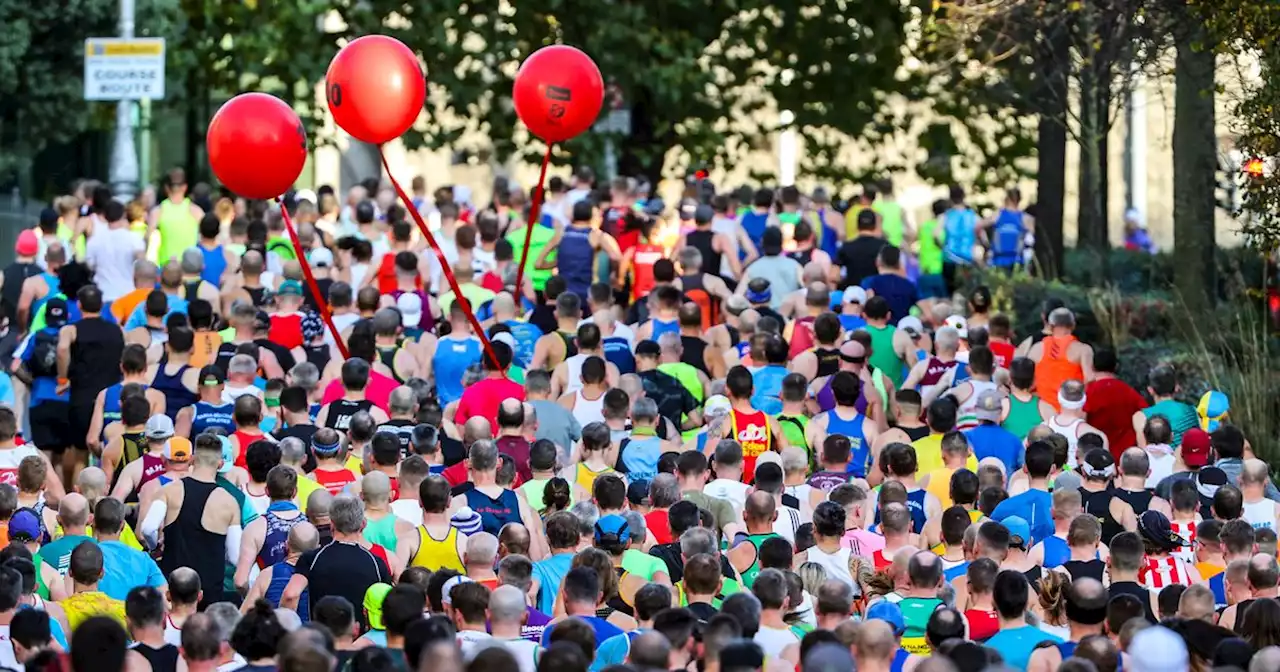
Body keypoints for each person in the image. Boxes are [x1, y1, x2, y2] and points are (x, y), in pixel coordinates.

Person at [140, 433, 240, 609]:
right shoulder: (230, 502)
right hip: (209, 591)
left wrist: (154, 547)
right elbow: (234, 556)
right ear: (220, 464)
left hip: (174, 587)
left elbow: (147, 528)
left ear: (192, 459)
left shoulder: (169, 490)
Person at [282, 495, 392, 628]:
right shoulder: (376, 563)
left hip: (322, 639)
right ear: (363, 524)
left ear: (332, 524)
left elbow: (291, 595)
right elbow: (387, 604)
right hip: (360, 641)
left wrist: (290, 632)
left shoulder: (312, 558)